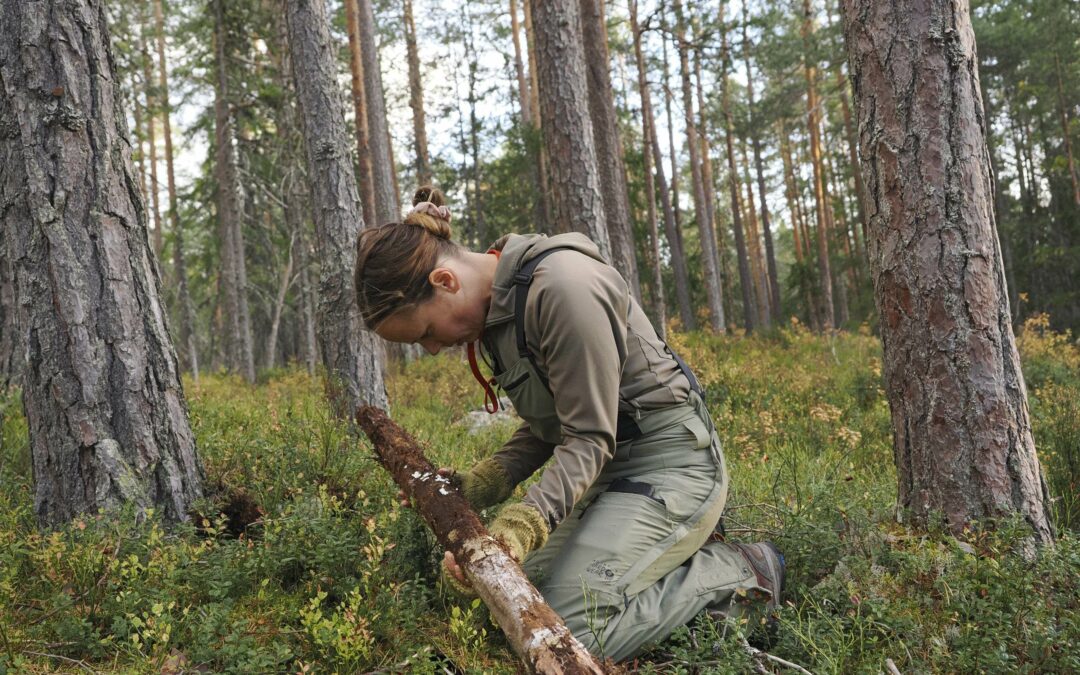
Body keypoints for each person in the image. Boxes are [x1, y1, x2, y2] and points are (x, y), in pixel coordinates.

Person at [354, 187, 784, 662]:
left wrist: (520, 526)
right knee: (507, 606)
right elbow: (553, 424)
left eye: (427, 333)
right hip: (605, 477)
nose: (434, 349)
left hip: (673, 467)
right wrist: (485, 481)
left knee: (568, 628)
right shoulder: (499, 316)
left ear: (445, 280)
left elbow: (589, 436)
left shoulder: (564, 288)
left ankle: (742, 571)